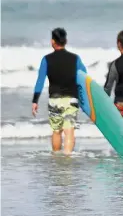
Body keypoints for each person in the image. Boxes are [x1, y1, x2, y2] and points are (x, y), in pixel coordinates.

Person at [31, 27, 87, 155]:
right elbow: (84, 79)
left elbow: (40, 81)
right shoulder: (75, 59)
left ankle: (56, 159)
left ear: (52, 41)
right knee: (69, 130)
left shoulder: (46, 59)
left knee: (56, 131)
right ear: (65, 41)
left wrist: (35, 101)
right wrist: (85, 100)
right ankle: (67, 158)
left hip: (54, 100)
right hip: (71, 100)